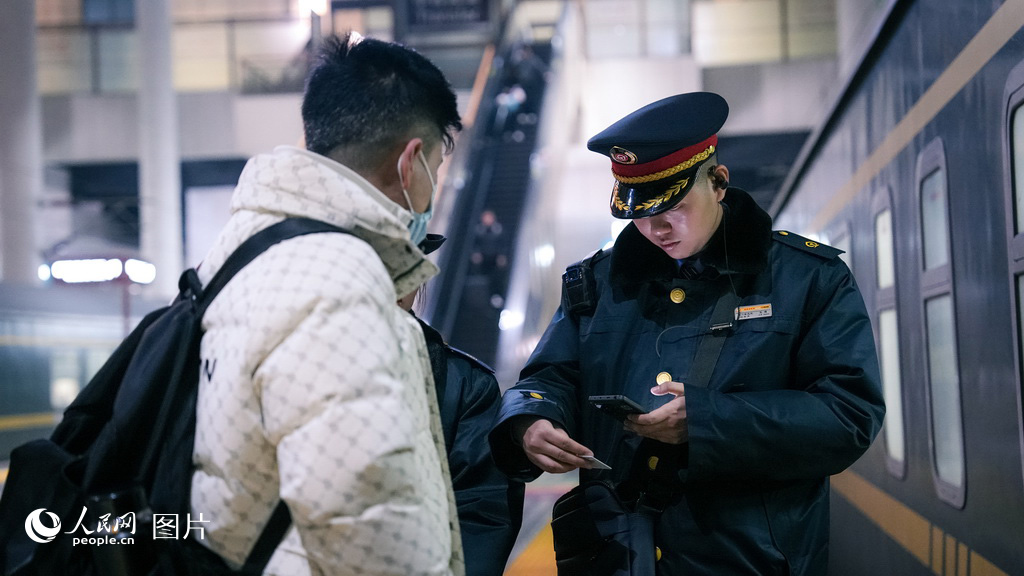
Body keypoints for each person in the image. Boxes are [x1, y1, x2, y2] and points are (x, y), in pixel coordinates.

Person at [488, 92, 885, 575]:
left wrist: (707, 420)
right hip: (617, 554)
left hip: (746, 560)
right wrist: (530, 419)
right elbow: (550, 376)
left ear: (718, 182)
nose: (655, 227)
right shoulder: (596, 283)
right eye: (638, 211)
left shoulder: (809, 279)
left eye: (673, 206)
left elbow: (849, 415)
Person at [191, 32, 464, 575]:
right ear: (410, 162)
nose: (431, 194)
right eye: (435, 169)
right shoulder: (336, 275)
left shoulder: (241, 248)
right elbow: (361, 511)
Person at [398, 234, 526, 576]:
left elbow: (482, 512)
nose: (394, 281)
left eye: (406, 264)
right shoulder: (287, 365)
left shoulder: (467, 385)